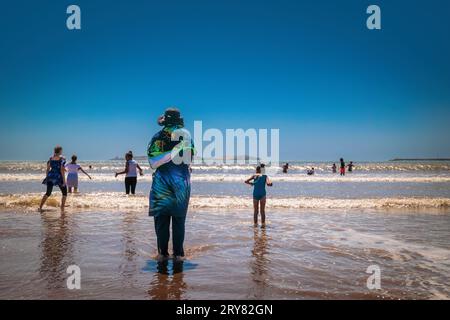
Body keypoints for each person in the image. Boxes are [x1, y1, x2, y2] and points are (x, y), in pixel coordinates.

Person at [147, 108, 195, 262]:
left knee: (161, 223)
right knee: (179, 222)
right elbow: (189, 160)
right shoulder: (186, 136)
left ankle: (162, 255)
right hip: (181, 186)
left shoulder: (157, 137)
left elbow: (153, 163)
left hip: (161, 186)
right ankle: (178, 256)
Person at [39, 145, 68, 213]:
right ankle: (62, 208)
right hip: (58, 177)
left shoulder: (51, 158)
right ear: (60, 151)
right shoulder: (62, 158)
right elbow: (61, 170)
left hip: (50, 176)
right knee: (64, 193)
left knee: (48, 193)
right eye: (61, 150)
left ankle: (40, 207)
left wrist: (47, 177)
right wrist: (64, 181)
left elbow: (48, 169)